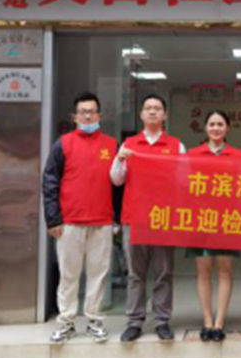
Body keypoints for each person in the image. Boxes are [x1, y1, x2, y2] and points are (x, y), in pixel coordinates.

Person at [42, 92, 117, 344]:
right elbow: (50, 181)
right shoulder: (63, 144)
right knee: (69, 275)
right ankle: (66, 322)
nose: (87, 116)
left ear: (100, 115)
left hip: (102, 221)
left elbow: (119, 184)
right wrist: (53, 219)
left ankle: (94, 320)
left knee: (98, 274)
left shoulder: (111, 145)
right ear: (75, 117)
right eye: (83, 112)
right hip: (69, 222)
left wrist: (117, 218)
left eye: (92, 111)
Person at [111, 94, 186, 342]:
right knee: (135, 274)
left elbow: (184, 181)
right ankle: (134, 321)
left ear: (165, 115)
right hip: (135, 218)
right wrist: (120, 160)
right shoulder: (129, 144)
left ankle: (162, 321)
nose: (152, 112)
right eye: (148, 108)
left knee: (163, 272)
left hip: (164, 219)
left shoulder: (176, 146)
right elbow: (116, 179)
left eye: (157, 108)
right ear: (142, 114)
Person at [187, 110, 241, 342]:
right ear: (206, 128)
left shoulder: (237, 155)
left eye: (220, 124)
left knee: (225, 270)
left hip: (227, 219)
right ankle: (207, 321)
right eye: (212, 124)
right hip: (200, 219)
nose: (216, 128)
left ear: (227, 128)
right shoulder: (193, 154)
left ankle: (219, 322)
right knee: (203, 271)